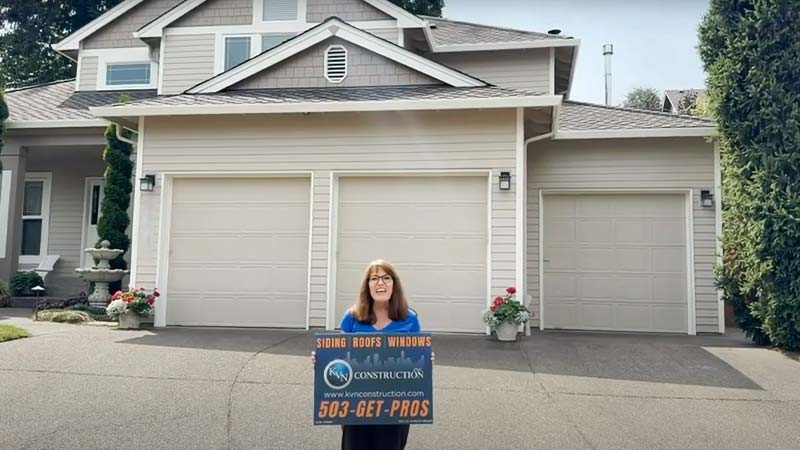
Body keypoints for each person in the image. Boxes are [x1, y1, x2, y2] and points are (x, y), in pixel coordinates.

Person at [313, 259, 429, 450]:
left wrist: (425, 361)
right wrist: (322, 361)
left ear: (394, 284)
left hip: (396, 408)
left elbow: (417, 359)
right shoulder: (352, 317)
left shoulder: (410, 319)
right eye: (374, 278)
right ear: (367, 285)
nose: (380, 282)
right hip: (356, 407)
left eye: (386, 278)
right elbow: (338, 357)